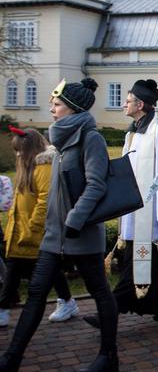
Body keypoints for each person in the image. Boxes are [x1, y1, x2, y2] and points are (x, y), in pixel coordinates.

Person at [0, 78, 119, 372]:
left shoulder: (91, 138)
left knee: (100, 293)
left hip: (80, 233)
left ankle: (108, 357)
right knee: (37, 293)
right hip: (55, 236)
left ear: (73, 109)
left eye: (57, 104)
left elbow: (96, 185)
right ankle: (12, 358)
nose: (51, 109)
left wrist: (74, 221)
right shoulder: (62, 140)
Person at [85, 79, 158, 330]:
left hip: (154, 217)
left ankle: (109, 312)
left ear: (140, 104)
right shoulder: (133, 132)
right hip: (137, 210)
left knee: (136, 270)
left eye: (128, 100)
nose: (124, 104)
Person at [0, 128, 78, 328]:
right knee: (33, 269)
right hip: (21, 231)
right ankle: (66, 301)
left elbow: (44, 202)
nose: (17, 154)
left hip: (32, 233)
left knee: (27, 270)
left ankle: (4, 309)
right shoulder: (28, 166)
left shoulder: (42, 167)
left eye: (20, 150)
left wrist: (32, 228)